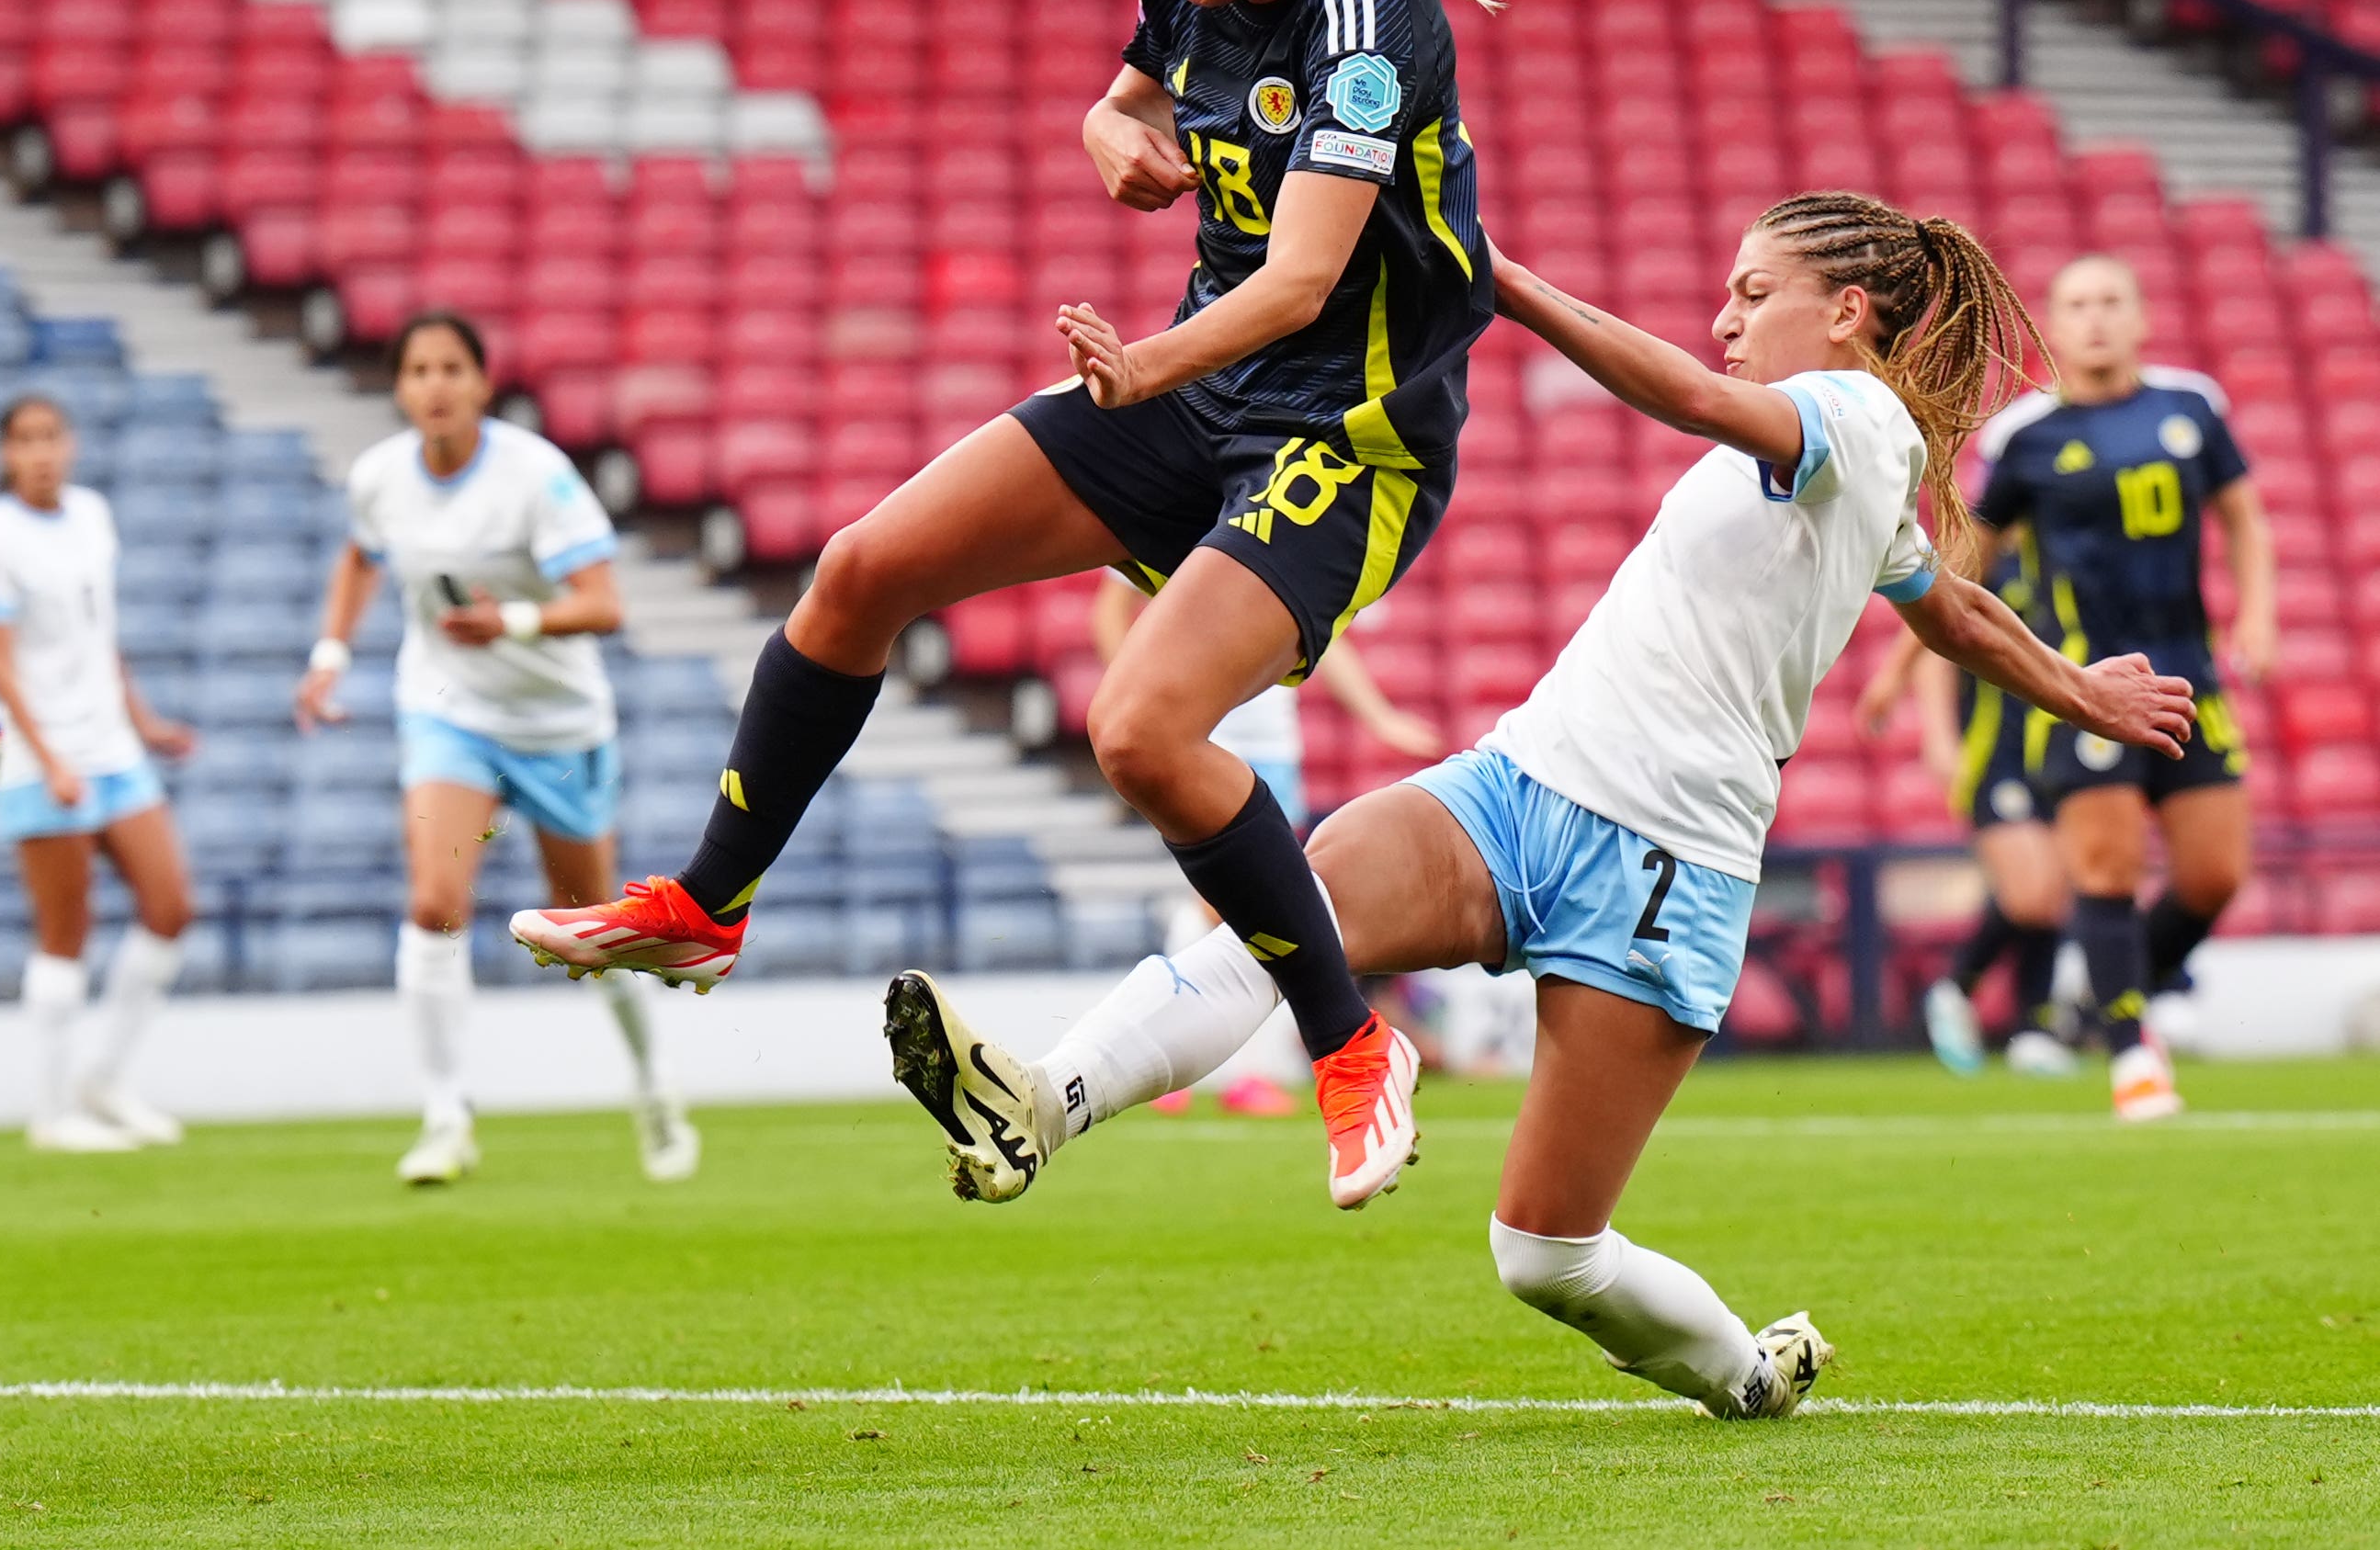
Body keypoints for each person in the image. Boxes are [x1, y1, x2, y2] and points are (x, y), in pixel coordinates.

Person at [881, 194, 2196, 1419]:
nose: (1724, 319)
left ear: (1846, 309)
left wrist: (1498, 278)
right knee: (1290, 912)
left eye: (1752, 292)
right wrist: (2077, 689)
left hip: (1661, 862)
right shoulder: (1848, 460)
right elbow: (1945, 600)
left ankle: (1743, 1371)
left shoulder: (1852, 425)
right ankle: (1039, 1104)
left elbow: (1686, 398)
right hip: (1518, 787)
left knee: (1544, 1253)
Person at [512, 0, 1512, 1210]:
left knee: (1140, 734)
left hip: (1343, 435)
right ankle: (707, 906)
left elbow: (1303, 282)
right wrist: (1106, 125)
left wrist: (1140, 366)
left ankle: (1352, 1048)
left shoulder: (1371, 27)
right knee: (858, 571)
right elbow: (1129, 95)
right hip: (1193, 387)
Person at [295, 311, 696, 1187]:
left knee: (591, 929)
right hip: (449, 712)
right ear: (399, 388)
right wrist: (330, 653)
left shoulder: (535, 476)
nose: (434, 385)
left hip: (556, 723)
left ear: (481, 382)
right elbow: (361, 559)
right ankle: (445, 1117)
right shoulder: (381, 478)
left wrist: (509, 620)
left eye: (451, 368)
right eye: (418, 370)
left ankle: (653, 1083)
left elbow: (604, 603)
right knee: (434, 900)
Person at [1966, 255, 2275, 1119]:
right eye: (2076, 305)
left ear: (2140, 317)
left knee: (2215, 875)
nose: (2095, 318)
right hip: (2086, 687)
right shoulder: (2022, 437)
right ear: (2052, 327)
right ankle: (2134, 1055)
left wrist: (2258, 614)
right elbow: (1970, 567)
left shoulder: (2191, 407)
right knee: (2104, 871)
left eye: (2111, 301)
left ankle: (2107, 993)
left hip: (2191, 676)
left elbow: (2244, 517)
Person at [1092, 571, 1441, 1115]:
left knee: (1246, 911)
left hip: (1275, 752)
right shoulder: (1181, 515)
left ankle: (1178, 1065)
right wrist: (1134, 700)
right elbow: (1112, 606)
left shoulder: (1277, 538)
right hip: (1206, 733)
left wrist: (1379, 716)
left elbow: (1324, 643)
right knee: (1233, 907)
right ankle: (1213, 1069)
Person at [0, 395, 199, 1154]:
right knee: (66, 931)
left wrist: (145, 718)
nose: (41, 453)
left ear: (72, 443)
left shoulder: (92, 514)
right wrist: (52, 760)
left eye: (51, 436)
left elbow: (100, 638)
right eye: (24, 440)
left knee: (171, 904)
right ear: (4, 453)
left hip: (113, 746)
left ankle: (104, 1077)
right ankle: (52, 1109)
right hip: (42, 758)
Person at [1856, 549, 2080, 1077]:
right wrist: (1940, 735)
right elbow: (1939, 639)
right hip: (1993, 750)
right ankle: (1954, 990)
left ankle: (2035, 1027)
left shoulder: (2058, 554)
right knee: (2029, 892)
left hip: (2052, 748)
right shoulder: (1989, 558)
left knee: (2050, 890)